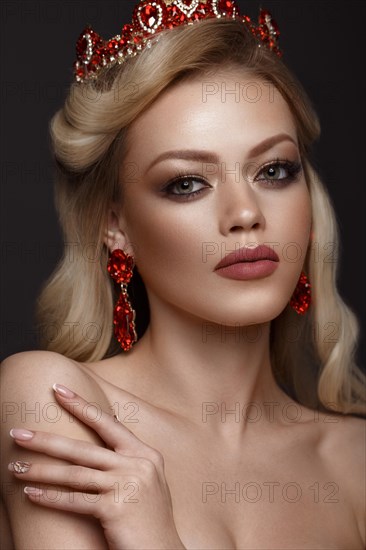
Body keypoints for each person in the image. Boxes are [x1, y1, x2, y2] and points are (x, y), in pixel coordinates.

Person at [1, 0, 365, 548]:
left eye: (274, 170)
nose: (245, 214)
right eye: (187, 183)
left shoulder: (355, 464)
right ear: (114, 224)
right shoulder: (56, 403)